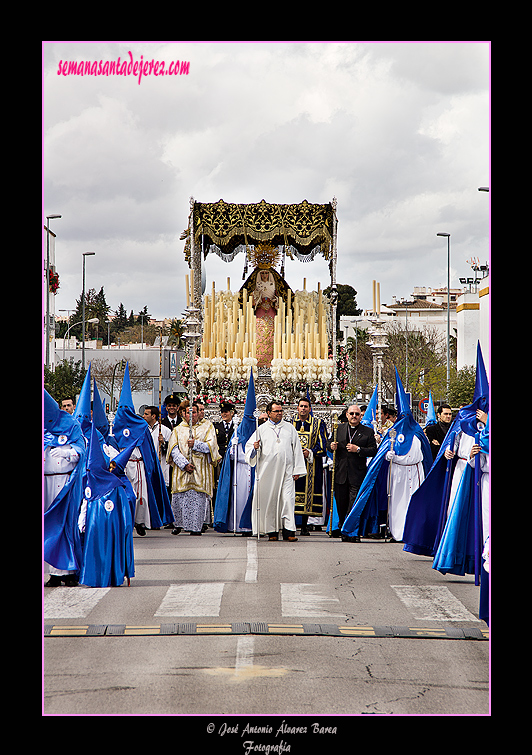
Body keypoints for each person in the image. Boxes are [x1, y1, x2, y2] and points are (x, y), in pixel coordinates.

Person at [341, 370, 432, 543]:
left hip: (412, 475)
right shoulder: (392, 433)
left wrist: (395, 458)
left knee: (411, 504)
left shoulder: (417, 434)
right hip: (396, 476)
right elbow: (379, 455)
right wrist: (387, 456)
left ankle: (410, 533)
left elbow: (418, 457)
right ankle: (395, 532)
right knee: (395, 505)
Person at [245, 401, 307, 541]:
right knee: (271, 501)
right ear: (269, 413)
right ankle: (272, 531)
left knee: (287, 500)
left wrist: (297, 469)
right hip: (268, 472)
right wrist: (254, 448)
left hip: (287, 471)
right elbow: (249, 450)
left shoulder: (289, 428)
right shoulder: (261, 429)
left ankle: (289, 531)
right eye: (276, 411)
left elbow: (296, 449)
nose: (279, 413)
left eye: (281, 411)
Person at [43, 390, 86, 587]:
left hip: (65, 483)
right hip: (46, 483)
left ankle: (69, 571)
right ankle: (53, 573)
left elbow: (81, 450)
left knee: (65, 524)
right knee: (49, 525)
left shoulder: (71, 425)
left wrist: (68, 452)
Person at [167, 403, 221, 535]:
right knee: (180, 497)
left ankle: (196, 526)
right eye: (187, 412)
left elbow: (212, 446)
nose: (191, 415)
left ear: (199, 413)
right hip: (182, 471)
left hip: (200, 470)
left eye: (194, 412)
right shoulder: (178, 430)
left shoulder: (207, 427)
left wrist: (195, 444)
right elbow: (173, 450)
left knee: (197, 499)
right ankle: (179, 524)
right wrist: (184, 464)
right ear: (183, 414)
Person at [328, 404, 377, 538]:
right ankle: (343, 528)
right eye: (352, 414)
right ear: (347, 415)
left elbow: (374, 450)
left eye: (357, 414)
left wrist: (359, 450)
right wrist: (331, 445)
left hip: (357, 473)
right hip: (340, 473)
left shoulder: (368, 431)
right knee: (341, 503)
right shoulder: (338, 428)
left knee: (353, 503)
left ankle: (352, 532)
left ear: (360, 416)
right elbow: (329, 443)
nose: (354, 416)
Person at [291, 398, 328, 535]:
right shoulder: (290, 424)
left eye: (306, 406)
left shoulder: (318, 424)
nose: (303, 409)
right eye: (301, 406)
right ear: (297, 408)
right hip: (292, 464)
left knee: (308, 493)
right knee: (291, 493)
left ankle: (305, 526)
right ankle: (290, 525)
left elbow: (323, 446)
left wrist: (310, 452)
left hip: (310, 465)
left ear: (310, 409)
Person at [252, 268, 279, 367]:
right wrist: (256, 298)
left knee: (271, 333)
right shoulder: (257, 285)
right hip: (260, 310)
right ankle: (259, 358)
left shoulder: (273, 285)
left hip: (271, 310)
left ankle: (271, 359)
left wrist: (275, 301)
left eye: (266, 273)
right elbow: (252, 299)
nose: (264, 275)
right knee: (260, 332)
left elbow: (278, 296)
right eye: (262, 273)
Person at [143, 406, 172, 493]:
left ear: (153, 416)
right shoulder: (143, 430)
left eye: (146, 414)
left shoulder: (165, 430)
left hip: (161, 466)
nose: (143, 416)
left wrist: (163, 442)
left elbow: (171, 451)